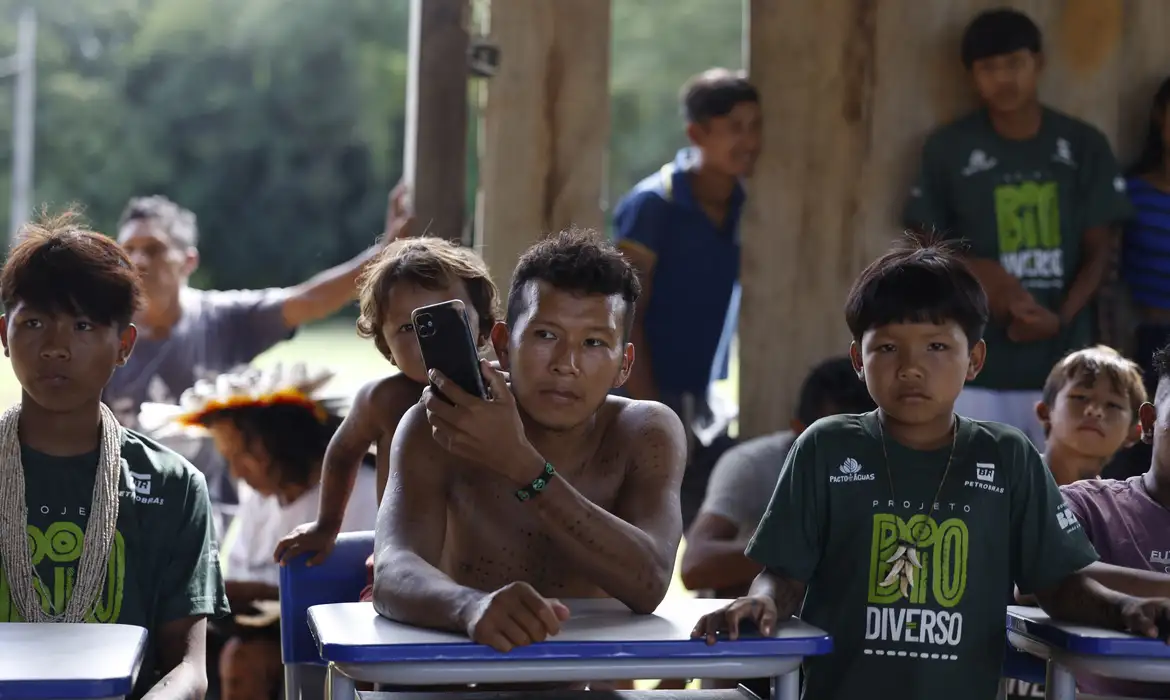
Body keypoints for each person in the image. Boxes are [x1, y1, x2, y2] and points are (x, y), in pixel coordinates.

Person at [692, 239, 1170, 700]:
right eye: (887, 348)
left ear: (974, 360)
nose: (912, 367)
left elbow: (1061, 585)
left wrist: (1126, 608)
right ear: (859, 359)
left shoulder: (1008, 457)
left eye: (937, 346)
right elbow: (785, 575)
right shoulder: (826, 447)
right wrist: (764, 601)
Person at [372, 228, 686, 654]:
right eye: (546, 335)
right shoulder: (441, 423)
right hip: (453, 680)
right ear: (502, 344)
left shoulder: (645, 431)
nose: (566, 365)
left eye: (593, 343)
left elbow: (650, 582)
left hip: (577, 687)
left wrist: (522, 465)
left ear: (623, 366)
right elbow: (393, 572)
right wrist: (470, 608)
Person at [0, 212, 228, 700]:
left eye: (82, 325)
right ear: (4, 335)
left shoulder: (173, 487)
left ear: (124, 344)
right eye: (35, 322)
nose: (56, 347)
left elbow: (188, 668)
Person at [903, 8, 1132, 447]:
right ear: (971, 75)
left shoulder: (1083, 144)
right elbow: (925, 242)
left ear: (1039, 63)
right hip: (974, 364)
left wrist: (1058, 318)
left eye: (1014, 64)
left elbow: (1101, 249)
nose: (1003, 79)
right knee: (975, 494)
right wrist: (986, 281)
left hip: (1063, 368)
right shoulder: (948, 148)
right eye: (988, 68)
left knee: (1061, 495)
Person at [105, 189, 410, 504]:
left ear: (188, 260)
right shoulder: (105, 335)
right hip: (125, 506)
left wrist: (383, 254)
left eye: (154, 249)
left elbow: (308, 300)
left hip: (208, 509)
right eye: (129, 249)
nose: (139, 260)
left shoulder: (223, 320)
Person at [273, 237, 501, 602]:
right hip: (400, 578)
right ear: (386, 348)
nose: (429, 340)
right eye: (409, 329)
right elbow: (343, 452)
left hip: (494, 577)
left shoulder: (504, 396)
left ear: (484, 328)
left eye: (444, 319)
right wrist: (326, 526)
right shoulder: (382, 401)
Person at [142, 362, 378, 700]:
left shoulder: (363, 491)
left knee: (243, 660)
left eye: (244, 454)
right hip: (264, 635)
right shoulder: (259, 498)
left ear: (285, 441)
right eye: (228, 459)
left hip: (334, 639)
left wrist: (267, 593)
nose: (236, 472)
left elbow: (359, 597)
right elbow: (238, 574)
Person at [613, 68, 761, 528]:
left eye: (755, 126)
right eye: (734, 127)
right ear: (696, 132)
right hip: (644, 389)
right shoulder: (654, 205)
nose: (750, 140)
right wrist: (650, 409)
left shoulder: (749, 202)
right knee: (635, 523)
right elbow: (624, 314)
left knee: (706, 525)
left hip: (702, 397)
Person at [1003, 345, 1145, 700]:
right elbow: (1041, 582)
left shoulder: (1121, 510)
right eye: (1080, 396)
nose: (1094, 410)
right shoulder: (1010, 480)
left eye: (1113, 405)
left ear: (1135, 430)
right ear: (1045, 411)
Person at [681, 356, 876, 598]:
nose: (849, 462)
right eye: (834, 444)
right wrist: (795, 549)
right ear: (799, 432)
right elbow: (695, 566)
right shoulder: (752, 466)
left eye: (861, 446)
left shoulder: (890, 465)